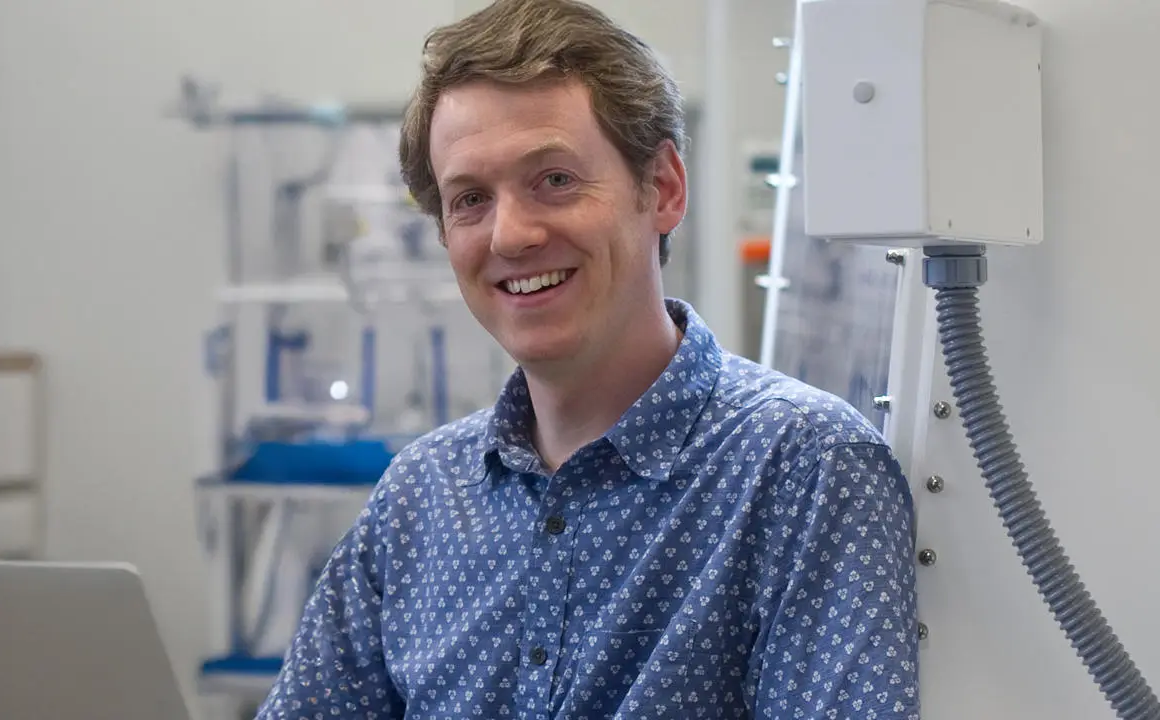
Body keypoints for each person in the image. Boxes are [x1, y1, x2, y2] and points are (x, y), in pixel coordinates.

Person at [256, 0, 919, 717]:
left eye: (555, 180)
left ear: (662, 188)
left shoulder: (803, 469)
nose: (510, 236)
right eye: (470, 199)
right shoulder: (419, 499)